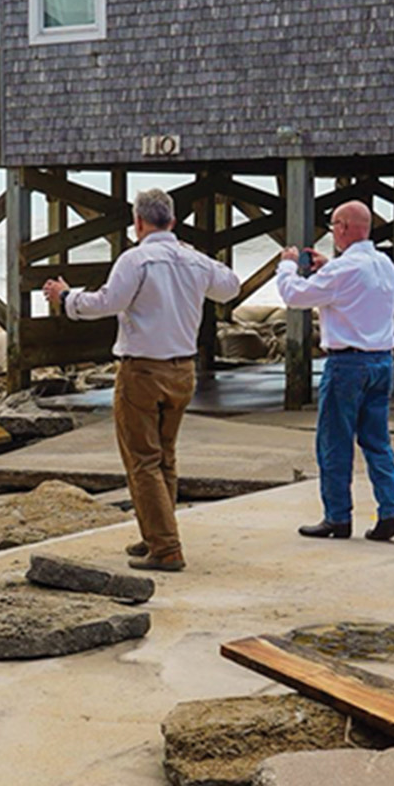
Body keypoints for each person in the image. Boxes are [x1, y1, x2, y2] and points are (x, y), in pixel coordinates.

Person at [42, 188, 241, 572]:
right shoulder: (193, 259)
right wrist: (196, 258)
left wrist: (66, 297)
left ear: (138, 222)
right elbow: (230, 286)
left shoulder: (136, 260)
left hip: (142, 371)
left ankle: (166, 548)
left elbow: (106, 303)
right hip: (183, 371)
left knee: (142, 460)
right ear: (174, 220)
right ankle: (156, 533)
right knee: (164, 456)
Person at [276, 199, 394, 541]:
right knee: (378, 442)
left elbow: (294, 296)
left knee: (334, 442)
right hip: (382, 360)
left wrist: (288, 266)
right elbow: (349, 288)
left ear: (345, 227)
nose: (332, 231)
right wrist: (326, 267)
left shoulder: (344, 270)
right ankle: (391, 511)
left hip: (348, 363)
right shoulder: (384, 264)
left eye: (334, 225)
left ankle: (337, 517)